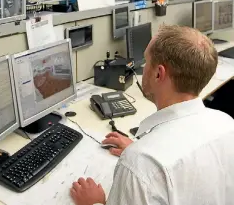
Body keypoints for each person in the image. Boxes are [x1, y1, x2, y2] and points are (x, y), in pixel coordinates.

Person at [70, 25, 234, 205]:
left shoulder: (140, 165)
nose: (143, 67)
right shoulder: (226, 123)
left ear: (158, 74)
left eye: (147, 62)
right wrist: (145, 147)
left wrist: (94, 203)